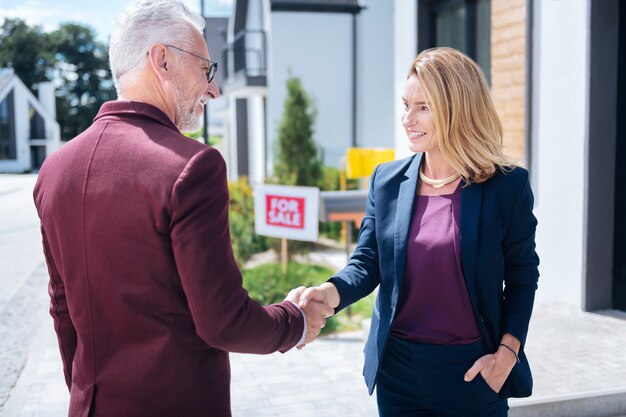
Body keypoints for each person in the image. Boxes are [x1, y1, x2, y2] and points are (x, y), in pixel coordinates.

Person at [33, 1, 333, 416]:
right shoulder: (192, 165)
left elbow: (62, 307)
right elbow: (222, 320)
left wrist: (86, 393)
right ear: (162, 60)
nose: (214, 89)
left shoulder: (53, 170)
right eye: (206, 69)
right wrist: (294, 322)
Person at [299, 47, 539, 416]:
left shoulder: (506, 187)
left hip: (473, 374)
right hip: (398, 374)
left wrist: (506, 355)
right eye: (406, 104)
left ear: (457, 110)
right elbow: (367, 263)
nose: (407, 118)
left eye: (423, 107)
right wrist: (328, 293)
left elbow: (522, 277)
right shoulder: (387, 180)